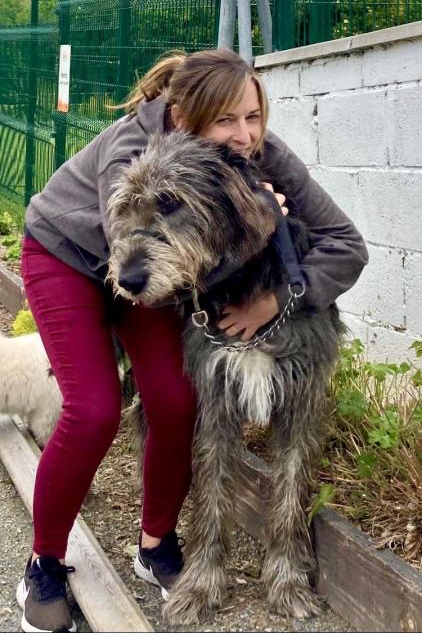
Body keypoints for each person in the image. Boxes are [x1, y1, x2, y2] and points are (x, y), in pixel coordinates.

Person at [17, 48, 368, 633]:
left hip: (168, 283)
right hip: (74, 259)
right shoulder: (136, 153)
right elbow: (140, 255)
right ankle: (43, 563)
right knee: (95, 408)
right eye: (226, 120)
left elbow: (345, 242)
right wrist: (257, 223)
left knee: (177, 403)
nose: (244, 135)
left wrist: (275, 294)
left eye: (253, 116)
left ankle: (155, 546)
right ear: (184, 118)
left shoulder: (255, 150)